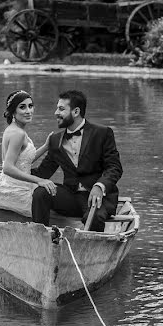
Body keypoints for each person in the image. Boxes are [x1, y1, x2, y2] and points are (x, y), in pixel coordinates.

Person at [31, 90, 122, 232]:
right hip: (71, 197)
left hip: (98, 199)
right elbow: (43, 172)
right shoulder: (55, 140)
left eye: (61, 109)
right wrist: (16, 172)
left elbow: (114, 167)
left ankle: (92, 251)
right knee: (41, 192)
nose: (56, 113)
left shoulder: (102, 133)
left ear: (76, 111)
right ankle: (40, 238)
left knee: (94, 219)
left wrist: (100, 186)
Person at [0, 90, 56, 217]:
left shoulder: (13, 129)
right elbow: (7, 168)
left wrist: (45, 147)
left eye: (30, 106)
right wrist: (40, 180)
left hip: (10, 183)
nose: (28, 111)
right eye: (22, 107)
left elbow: (23, 162)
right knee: (47, 202)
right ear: (13, 111)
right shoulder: (18, 134)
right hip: (14, 189)